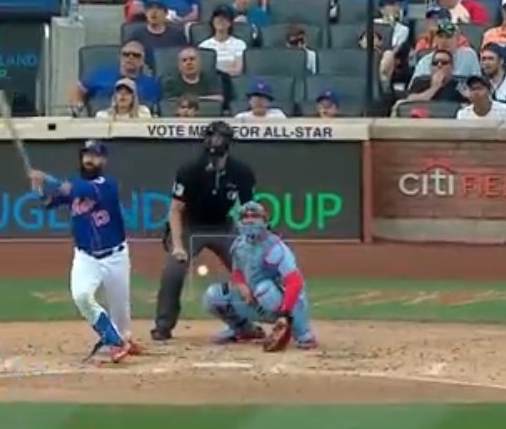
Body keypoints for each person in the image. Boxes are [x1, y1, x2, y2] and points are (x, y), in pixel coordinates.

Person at [28, 140, 138, 361]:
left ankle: (124, 338)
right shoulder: (74, 184)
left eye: (95, 155)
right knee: (81, 296)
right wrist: (39, 187)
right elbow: (50, 202)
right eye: (86, 155)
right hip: (86, 256)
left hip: (116, 256)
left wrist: (52, 179)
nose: (89, 159)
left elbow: (84, 190)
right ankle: (114, 341)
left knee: (120, 310)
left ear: (103, 160)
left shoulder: (108, 184)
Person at [152, 121, 257, 341]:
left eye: (219, 139)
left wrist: (254, 240)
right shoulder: (190, 170)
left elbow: (249, 208)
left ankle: (247, 324)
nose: (214, 144)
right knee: (173, 270)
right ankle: (163, 325)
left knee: (250, 269)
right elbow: (175, 210)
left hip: (223, 225)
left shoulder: (241, 172)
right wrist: (178, 246)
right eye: (211, 137)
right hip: (191, 224)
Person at [202, 201, 317, 348]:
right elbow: (237, 272)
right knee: (214, 295)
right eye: (245, 216)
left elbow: (295, 282)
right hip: (254, 301)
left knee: (265, 289)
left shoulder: (275, 247)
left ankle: (301, 333)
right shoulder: (239, 246)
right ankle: (244, 330)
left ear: (264, 221)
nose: (249, 220)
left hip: (280, 302)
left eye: (255, 216)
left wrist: (285, 313)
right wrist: (242, 286)